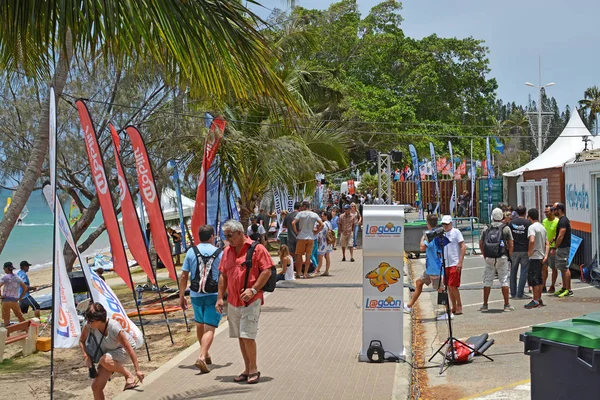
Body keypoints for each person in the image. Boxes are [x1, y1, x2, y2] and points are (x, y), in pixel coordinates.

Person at [216, 220, 273, 385]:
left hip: (251, 301)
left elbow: (267, 271)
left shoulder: (257, 249)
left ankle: (253, 369)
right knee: (241, 336)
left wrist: (253, 290)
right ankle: (247, 369)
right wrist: (220, 297)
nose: (227, 239)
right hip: (234, 301)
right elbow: (223, 275)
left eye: (229, 236)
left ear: (240, 233)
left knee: (248, 335)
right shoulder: (227, 251)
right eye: (225, 236)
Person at [179, 225, 223, 373]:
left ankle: (205, 353)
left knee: (199, 325)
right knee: (209, 327)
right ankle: (202, 356)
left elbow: (184, 275)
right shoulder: (219, 252)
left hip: (195, 294)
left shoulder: (191, 252)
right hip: (213, 295)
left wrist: (181, 296)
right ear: (211, 236)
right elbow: (224, 275)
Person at [79, 302, 144, 398]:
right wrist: (86, 356)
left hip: (123, 351)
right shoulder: (89, 326)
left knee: (104, 360)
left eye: (90, 320)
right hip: (108, 354)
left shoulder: (114, 327)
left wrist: (137, 370)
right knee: (96, 387)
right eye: (87, 319)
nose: (88, 322)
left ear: (99, 319)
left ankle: (128, 375)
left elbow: (129, 349)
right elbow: (81, 341)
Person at [404, 214, 442, 313]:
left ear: (428, 223)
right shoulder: (438, 233)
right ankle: (409, 305)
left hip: (435, 268)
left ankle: (448, 312)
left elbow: (421, 248)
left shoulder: (430, 235)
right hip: (430, 268)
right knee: (419, 282)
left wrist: (422, 238)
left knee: (441, 290)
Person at [479, 208, 514, 312]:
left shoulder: (486, 228)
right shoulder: (506, 228)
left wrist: (485, 255)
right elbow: (511, 244)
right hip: (502, 256)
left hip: (490, 257)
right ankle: (506, 305)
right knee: (504, 280)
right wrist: (509, 256)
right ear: (501, 217)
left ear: (492, 216)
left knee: (488, 281)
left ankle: (485, 305)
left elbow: (481, 243)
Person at [440, 215, 466, 319]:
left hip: (454, 262)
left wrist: (460, 261)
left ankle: (459, 305)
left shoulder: (456, 232)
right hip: (445, 263)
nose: (445, 226)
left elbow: (463, 246)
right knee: (448, 286)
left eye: (447, 224)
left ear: (451, 223)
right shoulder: (442, 234)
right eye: (443, 224)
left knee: (452, 285)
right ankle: (453, 306)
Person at [291, 201, 323, 279]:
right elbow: (322, 224)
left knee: (299, 255)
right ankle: (305, 273)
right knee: (308, 256)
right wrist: (317, 231)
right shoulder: (314, 214)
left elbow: (293, 223)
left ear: (304, 206)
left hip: (301, 236)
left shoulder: (300, 214)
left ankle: (299, 272)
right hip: (311, 237)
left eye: (302, 206)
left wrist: (296, 232)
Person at [525, 209, 549, 309]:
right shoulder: (542, 227)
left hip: (534, 256)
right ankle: (539, 298)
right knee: (539, 278)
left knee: (533, 279)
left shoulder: (532, 227)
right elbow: (547, 243)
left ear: (529, 217)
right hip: (541, 256)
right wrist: (546, 255)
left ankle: (535, 300)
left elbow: (532, 240)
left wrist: (529, 252)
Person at [509, 206, 531, 299]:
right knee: (523, 272)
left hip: (514, 250)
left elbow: (509, 238)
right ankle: (520, 293)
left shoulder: (511, 223)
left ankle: (513, 293)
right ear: (525, 212)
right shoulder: (528, 223)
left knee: (513, 272)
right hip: (525, 249)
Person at [553, 202, 573, 298]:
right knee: (562, 268)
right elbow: (559, 235)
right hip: (562, 247)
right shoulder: (561, 220)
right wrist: (554, 238)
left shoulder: (563, 221)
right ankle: (564, 287)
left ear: (559, 210)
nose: (553, 211)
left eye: (554, 209)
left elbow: (561, 235)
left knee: (565, 268)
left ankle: (568, 289)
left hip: (563, 248)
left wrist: (555, 246)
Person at [0, 262, 28, 327]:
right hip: (14, 300)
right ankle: (25, 329)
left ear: (7, 269)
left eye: (4, 268)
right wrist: (20, 297)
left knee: (6, 318)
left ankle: (7, 334)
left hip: (5, 300)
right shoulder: (17, 278)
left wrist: (1, 295)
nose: (4, 269)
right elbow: (25, 288)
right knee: (20, 316)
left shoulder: (5, 277)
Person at [542, 205, 559, 293]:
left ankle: (552, 285)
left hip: (553, 248)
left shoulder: (557, 221)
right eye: (545, 212)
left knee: (553, 268)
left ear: (552, 212)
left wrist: (554, 239)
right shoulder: (544, 221)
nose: (546, 213)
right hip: (545, 248)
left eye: (547, 212)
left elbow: (560, 234)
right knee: (544, 267)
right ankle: (543, 285)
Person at [315, 211, 333, 276]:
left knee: (320, 257)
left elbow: (321, 233)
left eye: (322, 215)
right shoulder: (329, 223)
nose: (321, 216)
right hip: (329, 242)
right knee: (327, 256)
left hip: (323, 242)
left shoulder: (324, 224)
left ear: (326, 216)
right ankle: (326, 271)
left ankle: (316, 271)